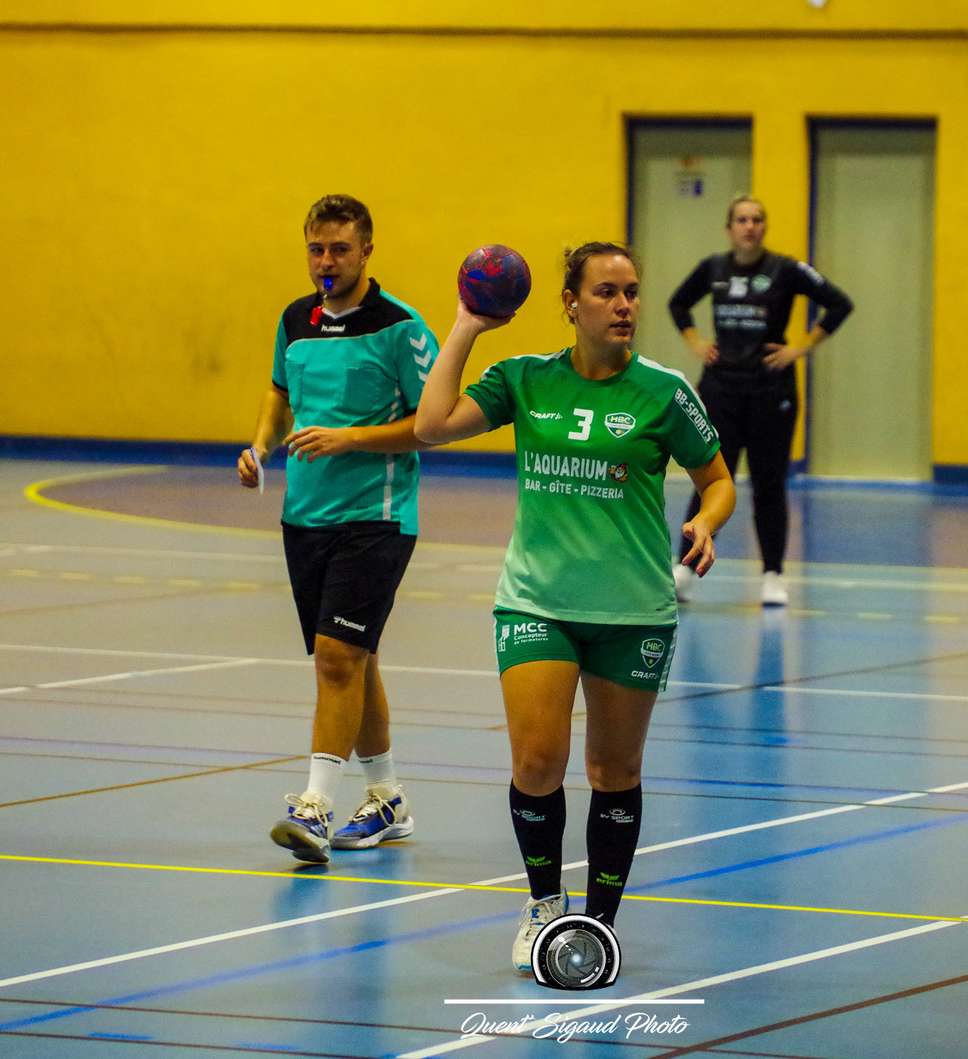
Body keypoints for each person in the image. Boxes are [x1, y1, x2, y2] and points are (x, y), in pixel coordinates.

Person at [416, 242, 735, 976]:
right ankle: (541, 904)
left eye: (631, 292)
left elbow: (718, 480)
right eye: (606, 292)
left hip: (633, 611)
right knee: (538, 760)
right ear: (571, 302)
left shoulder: (663, 391)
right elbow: (432, 425)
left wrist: (707, 522)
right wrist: (467, 324)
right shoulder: (524, 380)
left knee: (613, 768)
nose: (624, 305)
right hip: (537, 601)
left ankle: (598, 923)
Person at [237, 194, 438, 864]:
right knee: (357, 659)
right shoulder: (295, 318)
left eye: (340, 250)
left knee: (336, 657)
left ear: (367, 251)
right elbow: (278, 390)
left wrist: (351, 436)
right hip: (305, 517)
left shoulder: (401, 328)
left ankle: (315, 806)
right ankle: (386, 799)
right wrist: (260, 445)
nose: (326, 263)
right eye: (316, 250)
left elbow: (433, 423)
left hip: (375, 516)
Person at [667, 195, 854, 607]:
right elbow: (677, 303)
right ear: (729, 227)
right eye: (741, 219)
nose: (749, 226)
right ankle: (684, 570)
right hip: (721, 391)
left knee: (770, 486)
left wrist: (801, 348)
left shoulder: (785, 269)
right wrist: (697, 342)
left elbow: (839, 304)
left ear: (765, 227)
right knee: (712, 480)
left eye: (756, 219)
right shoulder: (712, 269)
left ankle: (772, 574)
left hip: (771, 391)